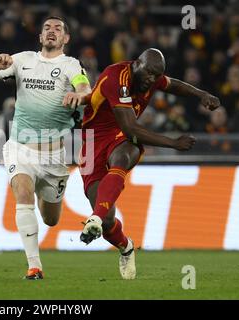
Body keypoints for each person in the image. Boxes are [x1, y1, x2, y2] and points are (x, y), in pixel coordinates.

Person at [76, 48, 220, 280]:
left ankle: (94, 217)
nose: (152, 80)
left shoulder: (150, 78)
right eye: (149, 74)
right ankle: (126, 246)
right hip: (92, 142)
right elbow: (131, 128)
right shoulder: (117, 78)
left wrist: (201, 94)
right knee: (108, 222)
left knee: (123, 156)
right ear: (137, 65)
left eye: (156, 75)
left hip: (119, 138)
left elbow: (174, 85)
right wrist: (173, 143)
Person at [0, 16, 91, 280]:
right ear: (40, 37)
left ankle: (46, 195)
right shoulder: (23, 59)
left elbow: (86, 89)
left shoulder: (71, 65)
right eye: (47, 29)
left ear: (66, 39)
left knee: (51, 219)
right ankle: (34, 266)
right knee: (23, 194)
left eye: (58, 29)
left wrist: (80, 95)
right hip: (20, 148)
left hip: (54, 155)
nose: (52, 32)